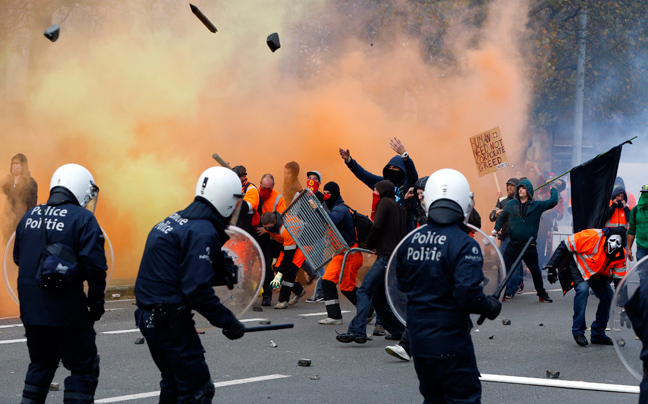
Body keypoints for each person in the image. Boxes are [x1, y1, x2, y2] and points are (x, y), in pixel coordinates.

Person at [134, 167, 247, 403]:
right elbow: (196, 289)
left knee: (173, 383)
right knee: (197, 390)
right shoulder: (203, 230)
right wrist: (228, 322)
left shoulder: (175, 219)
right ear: (227, 200)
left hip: (149, 317)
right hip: (170, 321)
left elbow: (175, 268)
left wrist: (216, 265)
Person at [394, 168, 501, 403]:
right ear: (464, 201)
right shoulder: (465, 244)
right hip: (450, 338)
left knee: (433, 398)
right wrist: (490, 306)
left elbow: (401, 284)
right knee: (463, 398)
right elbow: (467, 295)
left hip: (419, 339)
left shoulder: (410, 241)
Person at [14, 163, 105, 404]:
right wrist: (96, 305)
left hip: (32, 311)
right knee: (83, 368)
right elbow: (96, 268)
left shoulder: (29, 216)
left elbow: (17, 257)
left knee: (41, 364)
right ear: (81, 189)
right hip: (67, 310)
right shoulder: (83, 219)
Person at [336, 179, 407, 343]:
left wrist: (370, 243)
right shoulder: (401, 209)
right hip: (395, 258)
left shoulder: (384, 204)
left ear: (382, 192)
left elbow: (377, 226)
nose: (374, 193)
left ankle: (357, 330)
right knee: (378, 297)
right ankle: (399, 331)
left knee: (364, 290)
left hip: (385, 258)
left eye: (375, 190)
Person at [545, 227, 626, 346]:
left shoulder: (620, 255)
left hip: (598, 273)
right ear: (607, 238)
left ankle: (598, 334)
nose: (614, 245)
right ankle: (578, 331)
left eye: (618, 243)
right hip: (579, 267)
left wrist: (625, 307)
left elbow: (620, 283)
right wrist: (552, 266)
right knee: (583, 290)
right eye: (612, 241)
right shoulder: (592, 237)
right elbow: (565, 244)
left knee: (610, 298)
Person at [494, 178, 558, 302]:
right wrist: (496, 229)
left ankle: (541, 294)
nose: (520, 190)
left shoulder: (537, 206)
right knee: (504, 268)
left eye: (523, 188)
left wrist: (553, 188)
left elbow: (553, 201)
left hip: (529, 245)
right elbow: (501, 217)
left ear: (528, 190)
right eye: (520, 188)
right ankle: (501, 292)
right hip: (513, 244)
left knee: (535, 271)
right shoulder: (511, 204)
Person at [339, 137, 418, 226]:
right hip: (386, 229)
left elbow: (413, 176)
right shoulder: (383, 184)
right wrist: (349, 161)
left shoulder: (407, 185)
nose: (391, 170)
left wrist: (405, 156)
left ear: (402, 170)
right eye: (390, 168)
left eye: (395, 168)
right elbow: (363, 175)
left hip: (404, 230)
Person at [318, 182, 364, 325]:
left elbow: (333, 219)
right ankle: (334, 317)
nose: (326, 196)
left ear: (335, 194)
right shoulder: (332, 208)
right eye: (324, 192)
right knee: (326, 281)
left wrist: (319, 208)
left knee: (347, 288)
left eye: (328, 193)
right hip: (340, 254)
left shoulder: (340, 209)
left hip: (351, 253)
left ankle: (369, 310)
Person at [260, 211, 307, 308]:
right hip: (289, 245)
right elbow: (276, 243)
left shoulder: (286, 230)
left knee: (289, 271)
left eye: (268, 227)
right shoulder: (272, 226)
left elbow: (288, 256)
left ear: (275, 222)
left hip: (304, 244)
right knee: (277, 268)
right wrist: (275, 262)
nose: (267, 229)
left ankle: (283, 301)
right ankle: (299, 291)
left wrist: (280, 273)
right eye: (265, 227)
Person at [256, 174, 286, 306]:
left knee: (269, 265)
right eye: (263, 187)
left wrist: (266, 229)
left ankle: (267, 295)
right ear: (260, 184)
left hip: (270, 237)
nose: (266, 191)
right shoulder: (254, 193)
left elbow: (280, 220)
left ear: (273, 186)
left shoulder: (278, 198)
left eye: (269, 188)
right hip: (255, 234)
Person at [2, 153, 38, 244]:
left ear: (24, 165)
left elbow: (31, 207)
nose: (15, 166)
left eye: (18, 163)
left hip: (21, 224)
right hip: (7, 223)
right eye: (13, 163)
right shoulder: (8, 180)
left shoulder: (31, 183)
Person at [232, 165, 259, 237]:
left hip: (246, 231)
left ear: (244, 177)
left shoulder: (251, 189)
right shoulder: (233, 187)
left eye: (237, 177)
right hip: (234, 228)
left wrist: (234, 195)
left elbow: (246, 207)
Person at [628, 185, 648, 263]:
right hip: (641, 247)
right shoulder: (635, 210)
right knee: (642, 273)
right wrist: (629, 249)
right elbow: (631, 230)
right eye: (644, 193)